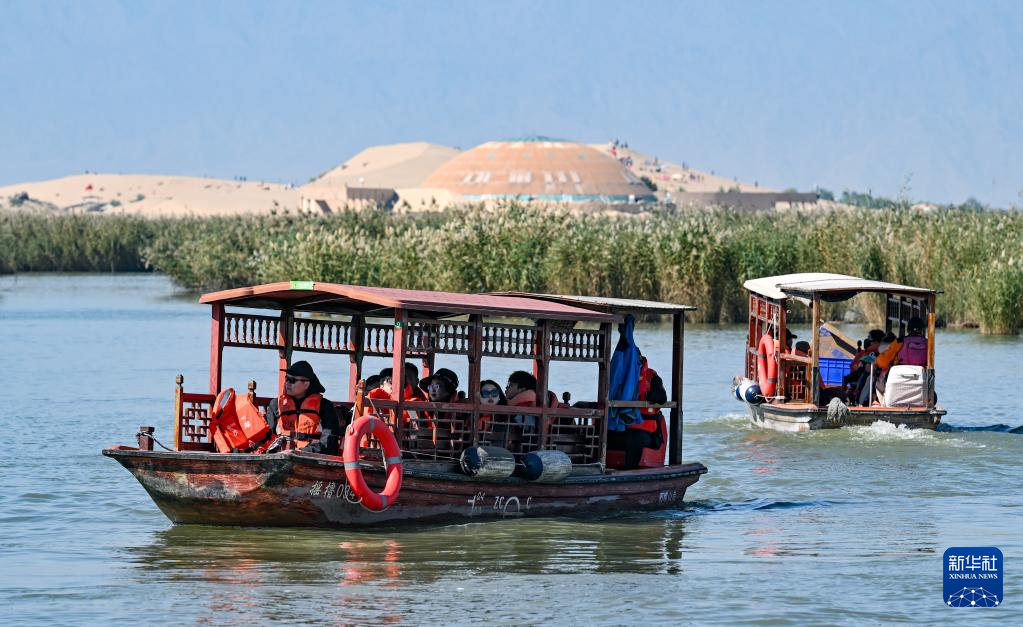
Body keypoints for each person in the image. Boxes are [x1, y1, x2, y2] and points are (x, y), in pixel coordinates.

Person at [264, 361, 345, 454]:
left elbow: (328, 443)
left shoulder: (325, 406)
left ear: (306, 384)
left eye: (292, 380)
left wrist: (302, 452)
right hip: (279, 456)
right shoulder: (275, 405)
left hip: (311, 459)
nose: (287, 383)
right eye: (287, 379)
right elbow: (268, 435)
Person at [607, 355, 667, 469]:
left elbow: (661, 397)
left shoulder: (652, 377)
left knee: (634, 437)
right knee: (604, 436)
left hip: (647, 433)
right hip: (621, 429)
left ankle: (629, 473)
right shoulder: (619, 377)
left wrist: (637, 397)